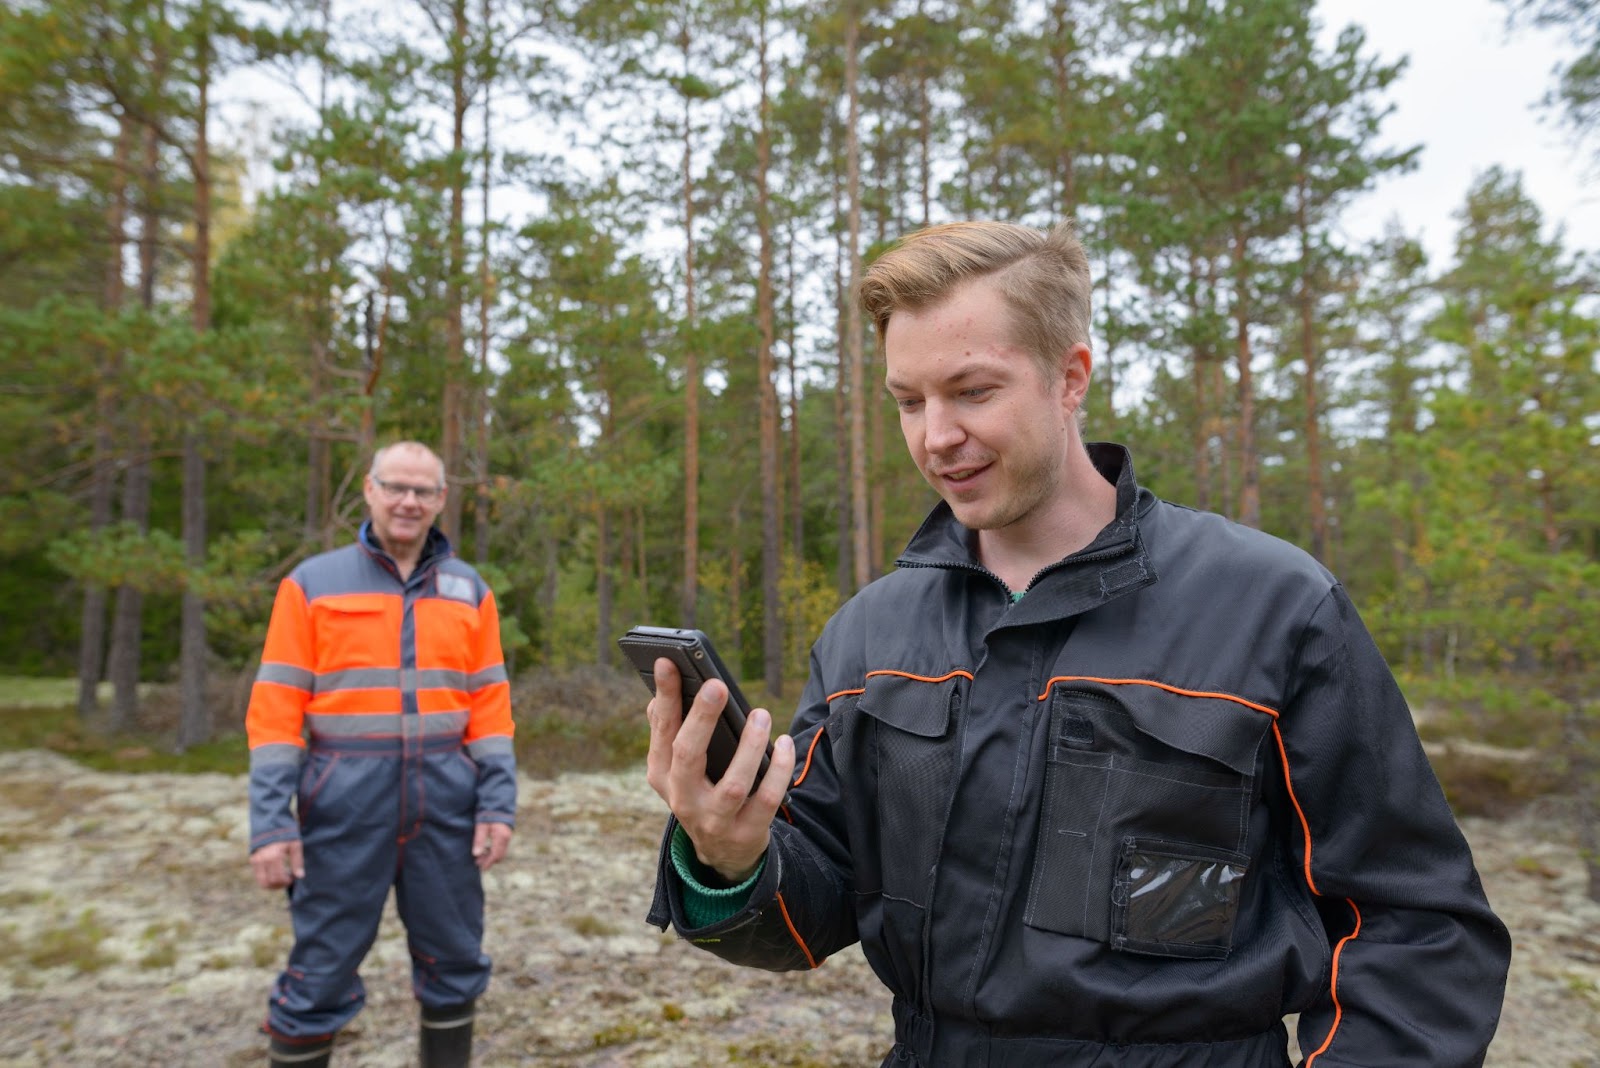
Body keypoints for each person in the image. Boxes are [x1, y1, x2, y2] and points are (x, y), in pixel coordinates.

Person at [643, 221, 1511, 1066]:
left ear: (1070, 378)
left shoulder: (1272, 608)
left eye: (972, 391)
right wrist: (732, 854)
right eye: (909, 401)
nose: (935, 435)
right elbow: (819, 906)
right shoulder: (872, 635)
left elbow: (1417, 927)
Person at [246, 441, 516, 1068]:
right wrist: (271, 821)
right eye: (395, 486)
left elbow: (491, 711)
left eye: (423, 491)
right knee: (318, 975)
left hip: (447, 812)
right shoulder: (312, 583)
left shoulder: (469, 590)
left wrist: (497, 806)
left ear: (442, 500)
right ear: (368, 490)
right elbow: (276, 710)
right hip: (341, 811)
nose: (408, 501)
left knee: (455, 963)